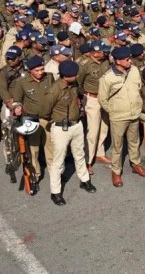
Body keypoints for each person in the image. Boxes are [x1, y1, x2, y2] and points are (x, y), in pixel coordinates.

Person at [40, 60, 96, 205]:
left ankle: (84, 181)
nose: (77, 76)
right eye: (74, 74)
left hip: (76, 125)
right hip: (60, 128)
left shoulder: (74, 85)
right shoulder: (54, 90)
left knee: (80, 154)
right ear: (66, 76)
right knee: (58, 160)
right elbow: (44, 111)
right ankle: (56, 192)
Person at [99, 46, 145, 187]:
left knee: (134, 141)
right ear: (118, 61)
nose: (130, 61)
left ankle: (136, 164)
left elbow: (137, 87)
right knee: (117, 146)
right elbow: (102, 99)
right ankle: (116, 171)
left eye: (130, 58)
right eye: (127, 59)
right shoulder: (107, 78)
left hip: (134, 113)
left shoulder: (134, 70)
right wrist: (114, 111)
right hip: (118, 117)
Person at [10, 55, 55, 179]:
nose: (40, 72)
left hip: (48, 118)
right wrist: (17, 108)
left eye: (42, 69)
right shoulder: (21, 82)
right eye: (37, 70)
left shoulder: (49, 77)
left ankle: (53, 172)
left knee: (50, 147)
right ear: (30, 71)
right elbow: (16, 101)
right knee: (33, 149)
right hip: (32, 119)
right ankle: (36, 173)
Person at [77, 41, 112, 172]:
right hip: (92, 99)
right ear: (95, 53)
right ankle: (87, 161)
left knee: (104, 127)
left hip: (105, 98)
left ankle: (99, 153)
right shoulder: (84, 65)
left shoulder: (106, 61)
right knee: (92, 132)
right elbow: (78, 83)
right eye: (103, 51)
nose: (106, 53)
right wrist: (84, 97)